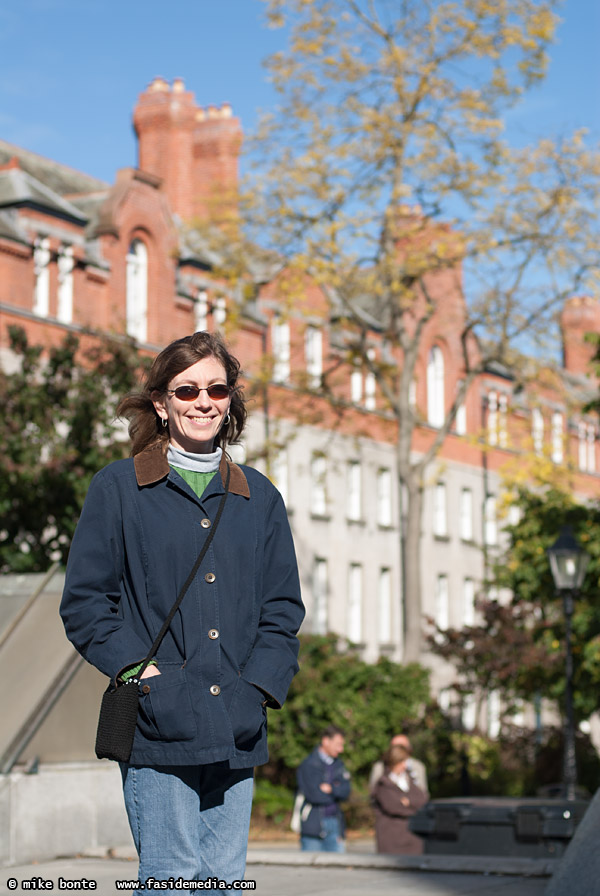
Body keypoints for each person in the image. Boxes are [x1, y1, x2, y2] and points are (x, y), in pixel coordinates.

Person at [60, 331, 304, 885]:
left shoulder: (258, 496)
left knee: (222, 877)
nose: (203, 401)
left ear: (230, 400)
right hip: (158, 724)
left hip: (237, 725)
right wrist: (142, 677)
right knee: (173, 875)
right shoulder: (120, 488)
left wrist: (259, 689)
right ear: (161, 403)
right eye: (187, 390)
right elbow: (86, 604)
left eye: (217, 389)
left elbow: (282, 610)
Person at [296, 725, 351, 852]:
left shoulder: (339, 765)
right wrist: (336, 790)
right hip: (313, 827)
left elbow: (346, 791)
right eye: (338, 744)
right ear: (326, 741)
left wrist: (331, 788)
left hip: (335, 824)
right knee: (312, 869)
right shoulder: (309, 764)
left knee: (337, 869)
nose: (341, 749)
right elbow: (314, 795)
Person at [372, 743, 428, 854]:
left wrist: (408, 802)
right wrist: (412, 805)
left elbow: (423, 799)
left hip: (412, 839)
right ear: (394, 762)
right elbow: (393, 806)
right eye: (402, 762)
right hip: (391, 841)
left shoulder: (409, 779)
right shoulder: (383, 783)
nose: (405, 765)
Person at [369, 733, 429, 797]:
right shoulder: (380, 767)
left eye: (401, 747)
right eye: (395, 747)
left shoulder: (417, 766)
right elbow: (373, 792)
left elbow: (423, 793)